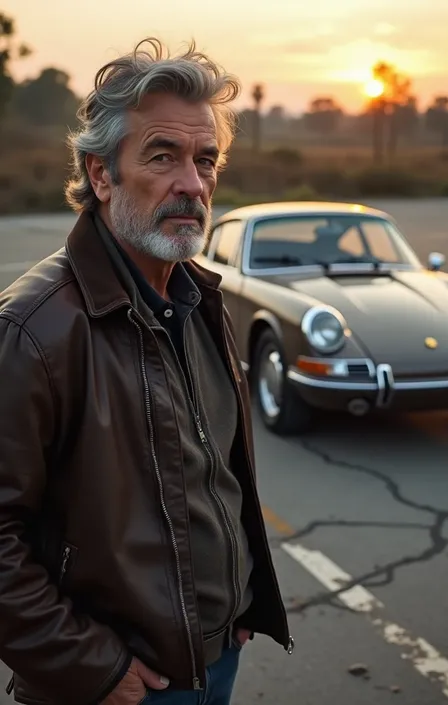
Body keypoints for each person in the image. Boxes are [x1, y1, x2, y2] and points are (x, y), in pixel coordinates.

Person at [0, 37, 293, 705]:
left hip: (217, 654)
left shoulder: (199, 295)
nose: (193, 184)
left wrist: (241, 598)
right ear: (101, 175)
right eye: (163, 156)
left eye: (206, 159)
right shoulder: (37, 327)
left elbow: (212, 472)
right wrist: (91, 666)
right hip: (120, 682)